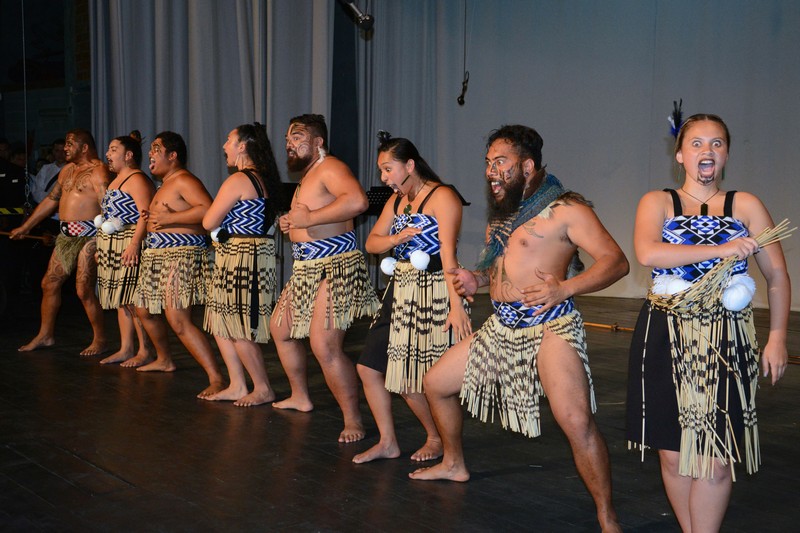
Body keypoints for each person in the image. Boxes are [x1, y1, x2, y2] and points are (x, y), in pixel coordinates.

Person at [409, 125, 627, 533]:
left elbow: (616, 262)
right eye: (487, 162)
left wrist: (565, 288)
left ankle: (607, 516)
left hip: (550, 326)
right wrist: (476, 278)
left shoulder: (567, 210)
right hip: (502, 328)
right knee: (435, 383)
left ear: (527, 166)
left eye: (500, 162)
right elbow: (498, 268)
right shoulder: (504, 213)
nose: (490, 171)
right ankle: (453, 463)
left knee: (575, 421)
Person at [626, 114, 790, 531]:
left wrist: (777, 337)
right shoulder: (658, 201)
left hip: (727, 337)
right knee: (673, 455)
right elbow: (648, 252)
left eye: (717, 143)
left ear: (726, 154)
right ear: (680, 155)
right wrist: (722, 249)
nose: (707, 151)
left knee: (715, 459)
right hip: (664, 331)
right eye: (696, 143)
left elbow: (776, 275)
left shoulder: (746, 205)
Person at [353, 133, 471, 464]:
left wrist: (456, 306)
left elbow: (448, 254)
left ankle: (437, 438)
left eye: (387, 169)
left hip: (434, 290)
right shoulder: (396, 202)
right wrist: (396, 238)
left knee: (413, 379)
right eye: (381, 170)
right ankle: (388, 442)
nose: (383, 177)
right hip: (400, 289)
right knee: (368, 368)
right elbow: (372, 243)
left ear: (409, 165)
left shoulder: (442, 196)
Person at [270, 113, 380, 442]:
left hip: (336, 266)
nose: (290, 143)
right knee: (281, 329)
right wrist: (291, 222)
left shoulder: (330, 167)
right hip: (306, 268)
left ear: (318, 142)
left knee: (324, 345)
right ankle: (300, 396)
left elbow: (357, 201)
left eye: (298, 137)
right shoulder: (309, 175)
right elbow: (309, 217)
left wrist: (310, 217)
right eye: (288, 138)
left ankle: (353, 420)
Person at [134, 131, 225, 398]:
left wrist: (171, 218)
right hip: (157, 255)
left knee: (177, 318)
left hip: (180, 254)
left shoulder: (184, 179)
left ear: (173, 155)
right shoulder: (165, 185)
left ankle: (216, 377)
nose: (150, 154)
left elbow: (208, 210)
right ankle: (164, 359)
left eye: (156, 149)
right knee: (144, 310)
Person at [202, 124, 283, 406]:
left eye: (229, 140)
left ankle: (262, 388)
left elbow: (209, 221)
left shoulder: (239, 180)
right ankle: (237, 384)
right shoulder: (264, 179)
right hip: (249, 254)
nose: (224, 145)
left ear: (243, 145)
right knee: (222, 322)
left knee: (237, 326)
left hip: (242, 257)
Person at [10, 129, 110, 355]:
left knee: (83, 289)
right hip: (66, 236)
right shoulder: (67, 170)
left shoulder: (99, 171)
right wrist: (26, 227)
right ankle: (46, 335)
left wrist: (106, 240)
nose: (65, 148)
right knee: (49, 283)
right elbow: (51, 200)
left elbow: (107, 207)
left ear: (84, 147)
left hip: (91, 236)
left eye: (70, 144)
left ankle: (101, 339)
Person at [96, 134, 155, 366]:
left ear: (128, 155)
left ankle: (145, 350)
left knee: (132, 298)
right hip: (114, 245)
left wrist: (134, 244)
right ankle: (126, 348)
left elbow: (145, 215)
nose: (107, 154)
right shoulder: (116, 180)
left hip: (129, 242)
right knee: (122, 299)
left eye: (113, 150)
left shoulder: (137, 179)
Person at [29, 138, 66, 208]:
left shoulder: (73, 169)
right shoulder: (46, 169)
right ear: (53, 152)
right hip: (46, 209)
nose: (60, 154)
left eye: (63, 151)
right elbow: (36, 191)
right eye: (57, 151)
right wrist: (50, 201)